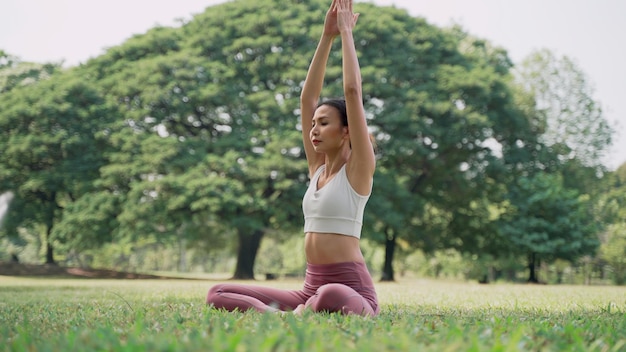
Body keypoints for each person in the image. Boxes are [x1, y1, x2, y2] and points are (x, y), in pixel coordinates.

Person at [206, 0, 379, 316]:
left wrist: (345, 33)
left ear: (345, 132)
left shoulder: (358, 171)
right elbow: (307, 99)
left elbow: (353, 91)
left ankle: (303, 312)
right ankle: (286, 317)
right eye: (313, 123)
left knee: (329, 295)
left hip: (350, 290)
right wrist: (326, 37)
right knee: (217, 292)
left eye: (324, 123)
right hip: (309, 287)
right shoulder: (317, 169)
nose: (314, 129)